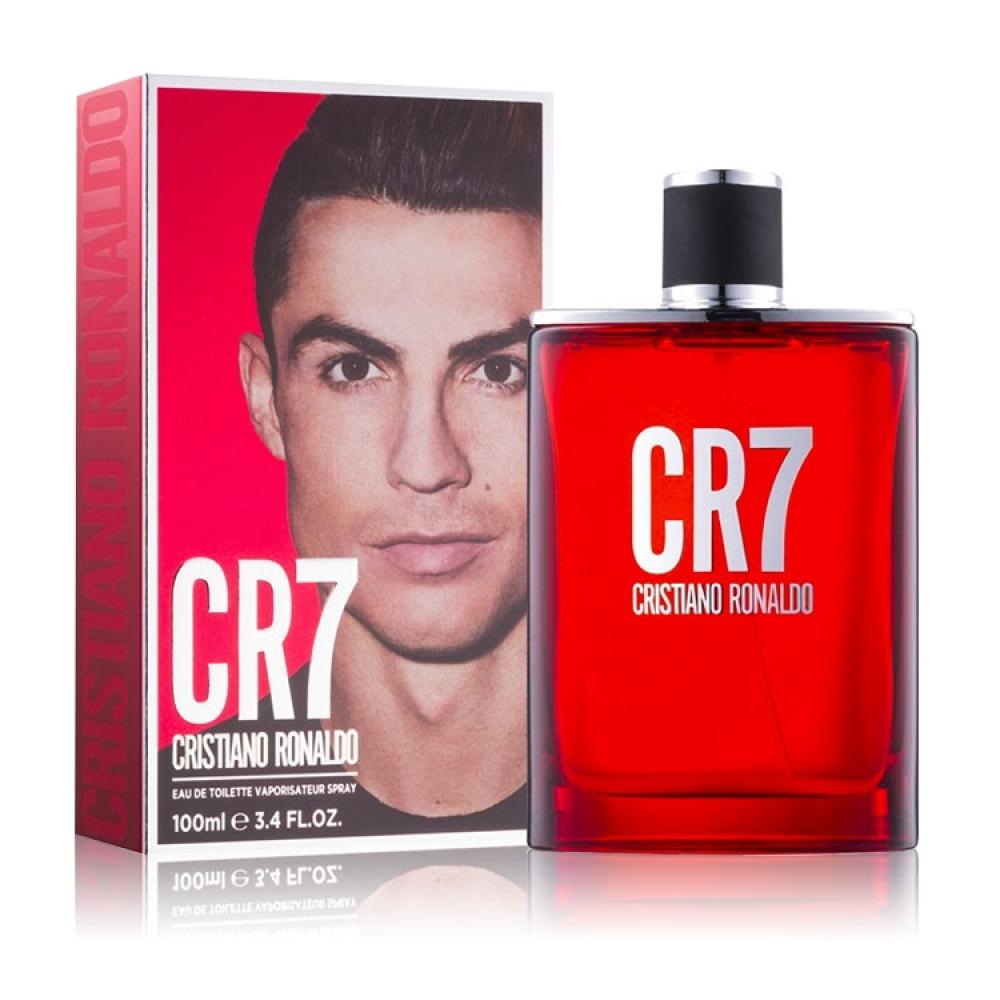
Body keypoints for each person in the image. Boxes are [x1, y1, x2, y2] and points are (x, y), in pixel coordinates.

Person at [236, 93, 541, 828]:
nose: (427, 464)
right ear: (267, 399)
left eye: (499, 371)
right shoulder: (157, 833)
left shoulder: (693, 824)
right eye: (353, 370)